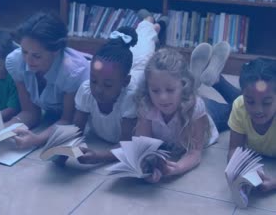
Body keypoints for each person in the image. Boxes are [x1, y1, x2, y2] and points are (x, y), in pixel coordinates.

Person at [5, 12, 90, 148]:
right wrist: (5, 129)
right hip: (51, 116)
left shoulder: (73, 72)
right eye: (24, 52)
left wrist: (37, 139)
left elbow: (67, 120)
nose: (28, 61)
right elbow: (30, 112)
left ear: (56, 51)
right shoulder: (15, 61)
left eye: (36, 56)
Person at [135, 48, 220, 183]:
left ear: (183, 86)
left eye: (170, 90)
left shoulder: (196, 107)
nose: (162, 98)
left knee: (234, 105)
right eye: (155, 91)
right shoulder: (147, 106)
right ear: (148, 88)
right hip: (185, 106)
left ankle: (218, 81)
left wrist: (176, 168)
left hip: (209, 118)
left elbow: (195, 152)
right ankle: (199, 76)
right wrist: (148, 168)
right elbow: (143, 146)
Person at [72, 27, 139, 164]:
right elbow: (76, 131)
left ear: (125, 82)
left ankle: (151, 24)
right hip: (124, 71)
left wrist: (99, 156)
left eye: (107, 85)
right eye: (94, 80)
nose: (98, 89)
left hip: (141, 73)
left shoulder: (130, 97)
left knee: (144, 50)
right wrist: (65, 149)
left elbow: (126, 145)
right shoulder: (86, 91)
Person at [227, 58, 276, 192]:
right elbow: (234, 149)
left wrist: (274, 183)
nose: (258, 110)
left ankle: (217, 81)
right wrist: (240, 171)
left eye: (266, 103)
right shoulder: (240, 106)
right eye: (250, 101)